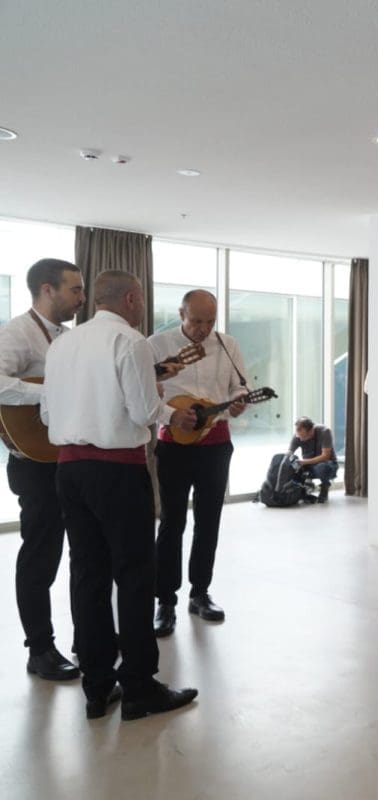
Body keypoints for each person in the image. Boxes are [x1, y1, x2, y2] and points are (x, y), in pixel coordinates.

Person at [41, 270, 199, 721]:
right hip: (117, 470)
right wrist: (168, 410)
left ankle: (96, 686)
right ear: (131, 298)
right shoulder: (131, 342)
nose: (142, 306)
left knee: (87, 575)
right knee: (133, 577)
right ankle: (139, 687)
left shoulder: (61, 344)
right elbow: (143, 410)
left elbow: (48, 412)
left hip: (69, 470)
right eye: (142, 299)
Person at [0, 258, 85, 681]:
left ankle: (88, 636)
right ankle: (40, 648)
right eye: (75, 289)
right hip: (33, 463)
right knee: (41, 555)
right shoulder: (17, 333)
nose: (81, 298)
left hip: (69, 455)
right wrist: (49, 393)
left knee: (84, 550)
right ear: (47, 289)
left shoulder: (70, 339)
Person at [148, 289, 248, 637]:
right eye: (196, 321)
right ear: (181, 314)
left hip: (216, 445)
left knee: (209, 521)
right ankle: (164, 600)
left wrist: (239, 401)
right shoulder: (157, 344)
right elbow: (144, 392)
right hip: (173, 444)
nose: (204, 329)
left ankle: (200, 593)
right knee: (171, 522)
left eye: (210, 321)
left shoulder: (228, 345)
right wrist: (172, 414)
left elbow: (239, 387)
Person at [288, 417, 338, 503]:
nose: (300, 439)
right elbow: (289, 452)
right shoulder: (298, 434)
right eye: (299, 436)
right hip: (308, 464)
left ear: (311, 431)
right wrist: (288, 460)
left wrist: (303, 462)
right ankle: (300, 489)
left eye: (303, 437)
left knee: (322, 467)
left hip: (327, 464)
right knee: (292, 465)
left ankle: (325, 486)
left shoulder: (325, 432)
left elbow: (325, 456)